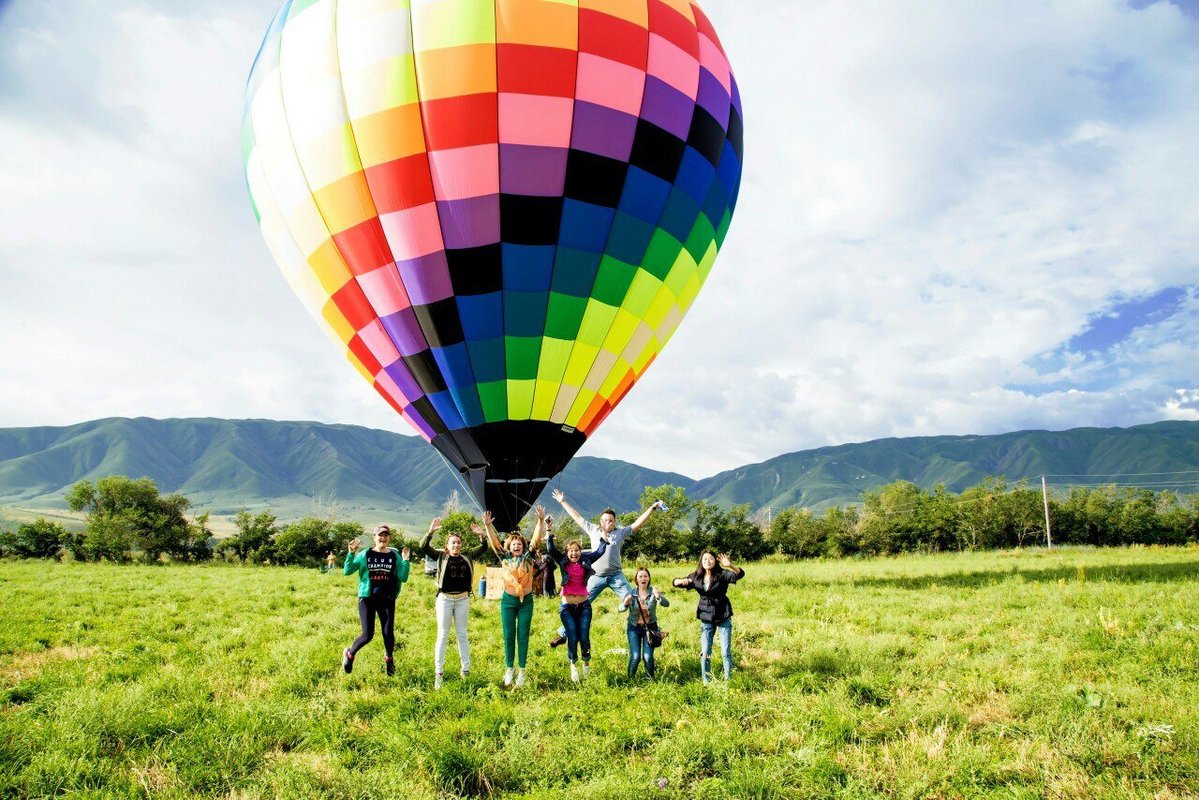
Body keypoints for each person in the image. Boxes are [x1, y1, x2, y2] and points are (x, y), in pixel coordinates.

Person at [548, 489, 663, 647]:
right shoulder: (592, 529)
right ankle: (563, 633)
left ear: (614, 522)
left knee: (635, 600)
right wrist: (562, 501)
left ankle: (652, 630)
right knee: (578, 604)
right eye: (604, 520)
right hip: (596, 576)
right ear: (600, 521)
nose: (607, 522)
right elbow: (577, 517)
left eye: (610, 520)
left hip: (616, 576)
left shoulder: (620, 533)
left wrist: (653, 507)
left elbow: (638, 523)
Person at [479, 507, 546, 687]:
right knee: (509, 635)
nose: (517, 545)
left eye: (519, 543)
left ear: (523, 546)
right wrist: (488, 527)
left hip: (526, 602)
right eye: (513, 543)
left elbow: (536, 539)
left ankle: (522, 671)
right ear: (509, 546)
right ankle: (509, 668)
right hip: (508, 601)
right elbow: (494, 543)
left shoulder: (528, 557)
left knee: (523, 635)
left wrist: (540, 521)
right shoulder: (504, 558)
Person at [419, 517, 487, 689]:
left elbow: (484, 548)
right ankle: (439, 673)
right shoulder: (441, 556)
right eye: (452, 543)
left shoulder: (467, 556)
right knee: (442, 635)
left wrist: (482, 535)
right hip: (445, 599)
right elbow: (423, 547)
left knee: (462, 635)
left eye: (458, 543)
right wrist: (430, 531)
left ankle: (465, 671)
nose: (456, 545)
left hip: (463, 599)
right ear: (447, 545)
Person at [342, 524, 411, 676]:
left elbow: (403, 577)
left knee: (388, 633)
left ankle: (389, 659)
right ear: (374, 538)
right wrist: (351, 553)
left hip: (387, 599)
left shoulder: (394, 556)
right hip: (367, 599)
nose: (383, 538)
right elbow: (347, 571)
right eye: (380, 535)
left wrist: (405, 561)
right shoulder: (366, 554)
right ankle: (349, 654)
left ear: (389, 538)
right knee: (367, 635)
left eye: (386, 535)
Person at [672, 551, 744, 686]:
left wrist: (730, 565)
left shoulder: (722, 574)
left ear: (715, 561)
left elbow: (739, 575)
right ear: (701, 561)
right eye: (705, 559)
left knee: (725, 651)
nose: (708, 561)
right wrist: (678, 581)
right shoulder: (697, 576)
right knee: (705, 651)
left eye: (710, 559)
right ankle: (706, 680)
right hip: (706, 615)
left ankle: (729, 681)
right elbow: (677, 582)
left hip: (723, 615)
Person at [546, 529, 609, 681]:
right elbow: (551, 549)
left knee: (584, 637)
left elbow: (599, 552)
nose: (574, 553)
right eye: (571, 551)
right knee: (572, 636)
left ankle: (586, 665)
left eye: (576, 551)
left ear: (580, 552)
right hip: (567, 607)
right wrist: (549, 533)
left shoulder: (586, 560)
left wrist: (604, 539)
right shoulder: (562, 561)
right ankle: (573, 665)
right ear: (567, 553)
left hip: (584, 606)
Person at [621, 566, 669, 680]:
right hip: (634, 628)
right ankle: (630, 679)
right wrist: (625, 603)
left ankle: (650, 679)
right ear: (636, 579)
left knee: (648, 657)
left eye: (645, 576)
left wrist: (658, 596)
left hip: (650, 628)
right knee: (636, 656)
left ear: (649, 578)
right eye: (640, 576)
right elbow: (620, 609)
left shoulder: (653, 591)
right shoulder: (631, 592)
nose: (643, 578)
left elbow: (667, 604)